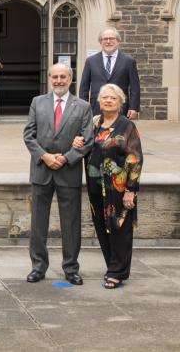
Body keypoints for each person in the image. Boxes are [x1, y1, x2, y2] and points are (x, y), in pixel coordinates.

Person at [22, 63, 93, 285]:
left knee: (71, 223)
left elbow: (87, 139)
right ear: (49, 78)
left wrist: (65, 158)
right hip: (42, 170)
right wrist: (45, 157)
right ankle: (38, 267)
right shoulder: (37, 102)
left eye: (63, 77)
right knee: (38, 223)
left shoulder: (82, 106)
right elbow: (28, 135)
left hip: (68, 171)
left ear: (70, 80)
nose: (59, 80)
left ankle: (71, 268)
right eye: (55, 77)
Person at [73, 84, 142, 289]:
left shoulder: (127, 125)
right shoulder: (93, 123)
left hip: (118, 188)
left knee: (119, 228)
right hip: (96, 186)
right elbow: (83, 144)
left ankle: (117, 272)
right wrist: (76, 141)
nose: (108, 101)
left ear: (120, 102)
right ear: (99, 102)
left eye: (113, 98)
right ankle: (111, 267)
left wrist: (131, 190)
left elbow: (135, 158)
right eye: (104, 98)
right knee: (103, 227)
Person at [78, 27, 140, 119]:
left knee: (120, 133)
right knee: (97, 133)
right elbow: (84, 87)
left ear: (118, 41)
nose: (108, 41)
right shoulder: (91, 61)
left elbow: (135, 87)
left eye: (111, 38)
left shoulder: (128, 61)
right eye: (105, 39)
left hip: (121, 109)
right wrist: (84, 108)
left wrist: (134, 108)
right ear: (100, 42)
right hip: (97, 109)